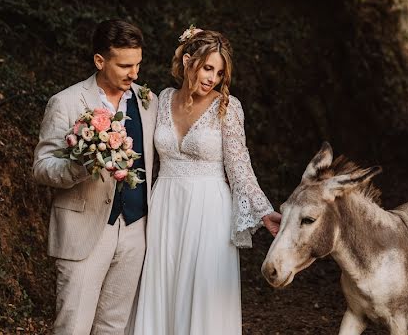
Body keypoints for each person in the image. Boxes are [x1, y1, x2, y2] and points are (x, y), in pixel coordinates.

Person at [130, 27, 281, 335]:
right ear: (188, 62)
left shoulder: (228, 106)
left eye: (219, 72)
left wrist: (264, 211)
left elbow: (240, 168)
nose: (213, 78)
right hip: (165, 207)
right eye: (207, 68)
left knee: (201, 295)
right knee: (163, 286)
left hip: (208, 211)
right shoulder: (162, 99)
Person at [33, 19, 157, 335]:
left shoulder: (148, 101)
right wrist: (81, 164)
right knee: (72, 327)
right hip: (84, 228)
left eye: (138, 64)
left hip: (135, 230)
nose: (134, 74)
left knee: (114, 326)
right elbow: (43, 167)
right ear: (100, 61)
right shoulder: (67, 102)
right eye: (125, 65)